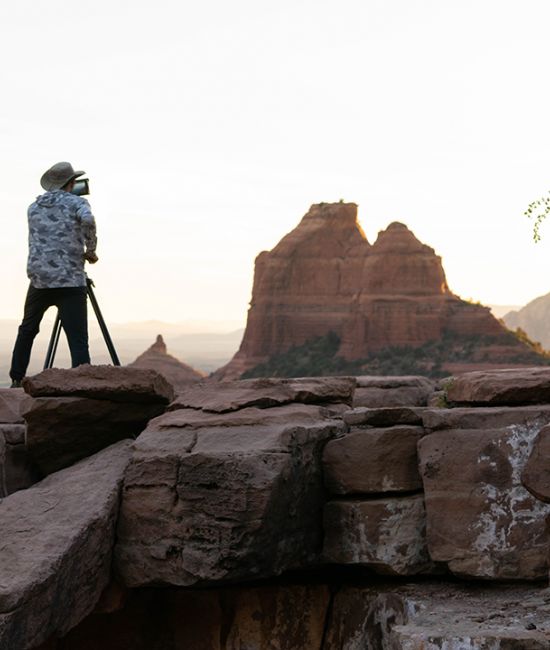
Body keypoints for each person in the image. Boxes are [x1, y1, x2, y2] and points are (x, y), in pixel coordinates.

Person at [9, 162, 98, 387]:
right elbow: (87, 219)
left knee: (27, 329)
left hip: (40, 279)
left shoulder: (33, 207)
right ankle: (81, 383)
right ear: (70, 183)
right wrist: (91, 250)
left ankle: (16, 379)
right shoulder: (78, 202)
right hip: (70, 280)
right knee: (77, 338)